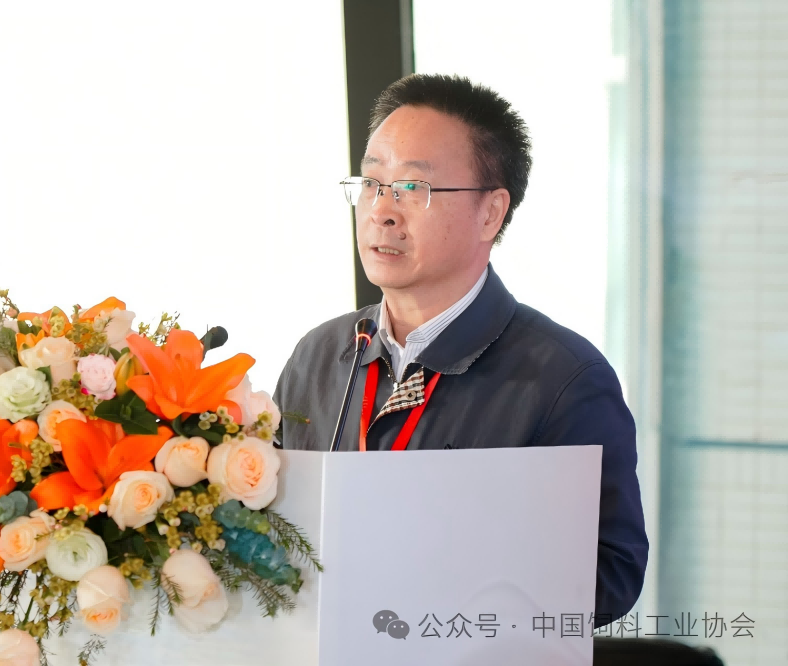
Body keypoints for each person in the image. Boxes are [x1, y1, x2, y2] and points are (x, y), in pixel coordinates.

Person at [273, 73, 648, 625]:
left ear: (490, 213)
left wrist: (450, 567)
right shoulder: (320, 354)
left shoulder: (564, 378)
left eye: (413, 187)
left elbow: (612, 573)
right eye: (373, 183)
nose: (382, 211)